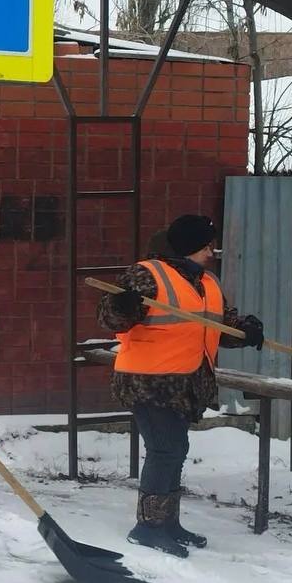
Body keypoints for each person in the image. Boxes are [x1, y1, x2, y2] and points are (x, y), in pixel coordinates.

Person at [96, 214, 264, 558]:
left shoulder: (207, 282)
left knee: (175, 449)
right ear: (194, 246)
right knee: (165, 450)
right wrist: (120, 306)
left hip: (185, 383)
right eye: (207, 245)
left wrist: (245, 330)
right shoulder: (147, 274)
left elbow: (216, 326)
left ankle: (167, 522)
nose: (212, 251)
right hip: (147, 382)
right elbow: (109, 317)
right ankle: (148, 527)